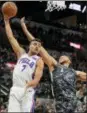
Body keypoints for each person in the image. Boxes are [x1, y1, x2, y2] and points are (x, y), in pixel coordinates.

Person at [21, 17, 87, 113]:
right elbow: (39, 47)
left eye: (64, 56)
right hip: (60, 105)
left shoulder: (74, 72)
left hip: (74, 106)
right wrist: (24, 28)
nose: (61, 56)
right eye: (60, 56)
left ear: (69, 61)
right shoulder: (54, 65)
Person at [3, 15, 44, 112]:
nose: (37, 47)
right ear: (29, 45)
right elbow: (11, 37)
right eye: (35, 44)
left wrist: (28, 85)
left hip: (27, 91)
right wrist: (6, 20)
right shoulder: (21, 53)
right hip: (15, 89)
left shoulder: (39, 60)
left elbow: (37, 80)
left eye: (39, 46)